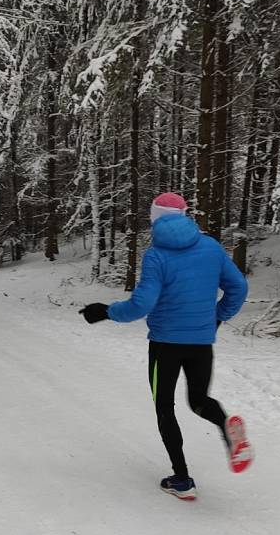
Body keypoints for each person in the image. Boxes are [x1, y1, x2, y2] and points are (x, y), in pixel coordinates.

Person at [79, 192, 252, 501]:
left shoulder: (157, 254)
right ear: (186, 214)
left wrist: (105, 311)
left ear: (154, 218)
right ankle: (227, 427)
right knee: (199, 400)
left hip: (165, 346)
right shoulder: (211, 247)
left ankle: (182, 479)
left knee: (164, 408)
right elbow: (238, 287)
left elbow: (142, 303)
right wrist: (217, 318)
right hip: (201, 342)